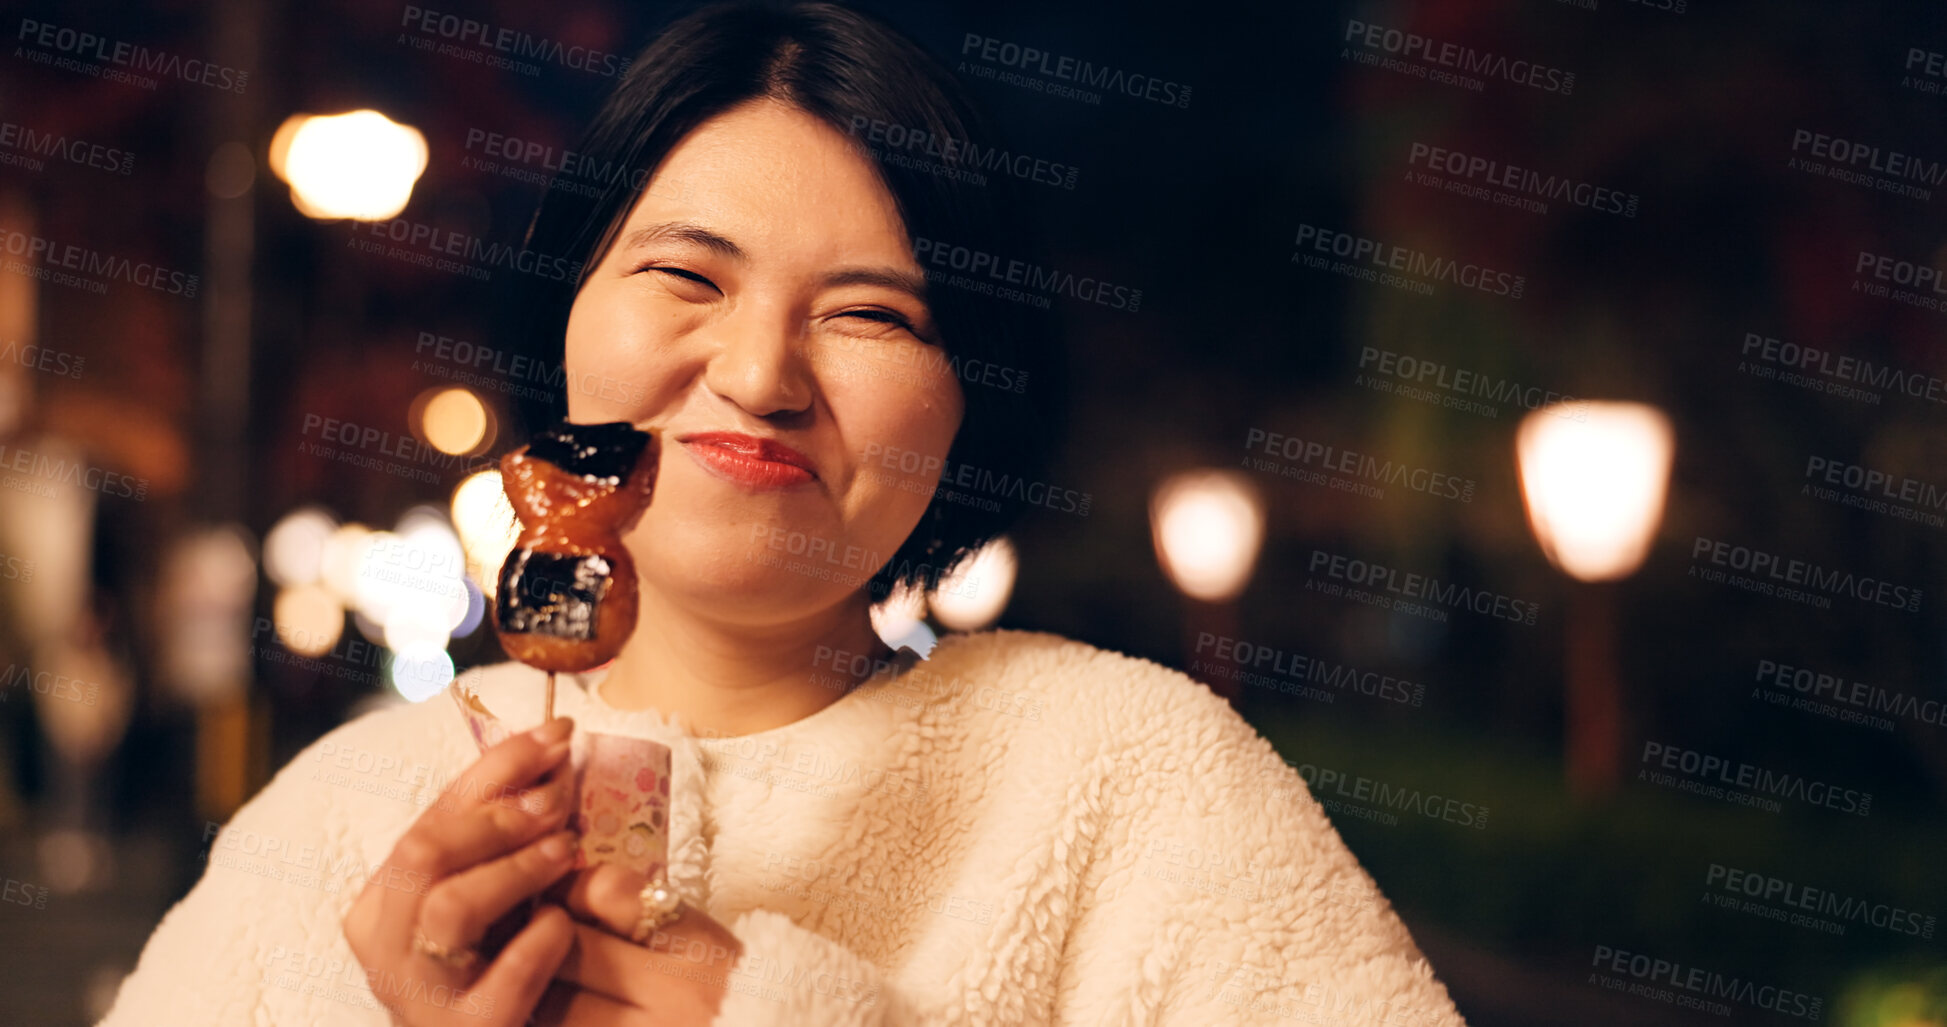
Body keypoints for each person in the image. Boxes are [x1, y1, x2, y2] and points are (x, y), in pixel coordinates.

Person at [101, 3, 1468, 1024]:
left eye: (872, 312)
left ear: (974, 389)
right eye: (685, 276)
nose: (758, 377)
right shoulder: (339, 824)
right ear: (567, 309)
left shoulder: (1135, 784)